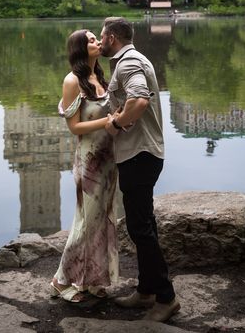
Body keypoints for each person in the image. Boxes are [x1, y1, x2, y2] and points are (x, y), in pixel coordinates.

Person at [100, 17, 180, 323]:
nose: (100, 40)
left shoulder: (128, 62)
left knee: (140, 229)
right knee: (142, 223)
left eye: (102, 36)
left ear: (111, 37)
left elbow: (140, 100)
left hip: (140, 153)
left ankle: (166, 297)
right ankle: (146, 290)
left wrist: (116, 123)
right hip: (141, 153)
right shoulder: (129, 59)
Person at [50, 29, 118, 303]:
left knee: (103, 219)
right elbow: (74, 127)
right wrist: (107, 121)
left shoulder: (100, 76)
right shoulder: (72, 81)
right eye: (91, 40)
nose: (98, 42)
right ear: (79, 48)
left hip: (109, 159)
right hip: (89, 161)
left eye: (97, 38)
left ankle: (91, 281)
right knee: (86, 222)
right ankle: (61, 280)